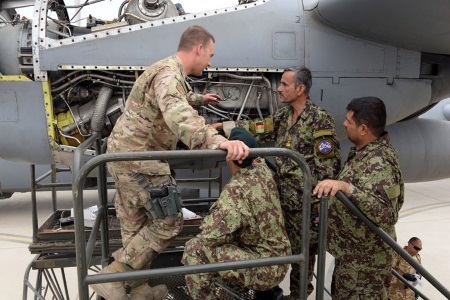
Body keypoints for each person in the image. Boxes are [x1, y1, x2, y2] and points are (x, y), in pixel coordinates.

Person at [91, 25, 250, 300]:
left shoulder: (166, 69)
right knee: (169, 220)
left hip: (124, 155)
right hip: (140, 159)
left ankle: (136, 287)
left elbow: (174, 97)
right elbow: (176, 112)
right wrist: (217, 141)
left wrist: (200, 98)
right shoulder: (169, 74)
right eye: (210, 55)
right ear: (198, 49)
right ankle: (115, 274)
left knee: (135, 223)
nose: (210, 61)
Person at [215, 66, 341, 298]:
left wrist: (317, 206)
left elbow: (328, 167)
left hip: (303, 207)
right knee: (273, 252)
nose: (279, 89)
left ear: (300, 89)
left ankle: (298, 296)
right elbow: (256, 128)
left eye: (284, 84)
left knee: (302, 262)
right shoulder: (283, 117)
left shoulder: (319, 119)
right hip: (281, 203)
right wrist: (223, 128)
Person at [181, 127, 291, 300]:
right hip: (279, 259)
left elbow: (210, 236)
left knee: (194, 249)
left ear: (229, 157)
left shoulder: (236, 190)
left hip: (265, 267)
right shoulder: (262, 170)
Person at [313, 96, 404, 300]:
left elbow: (387, 214)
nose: (344, 124)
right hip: (352, 259)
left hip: (365, 270)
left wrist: (346, 187)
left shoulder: (380, 162)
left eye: (349, 121)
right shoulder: (363, 153)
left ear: (363, 129)